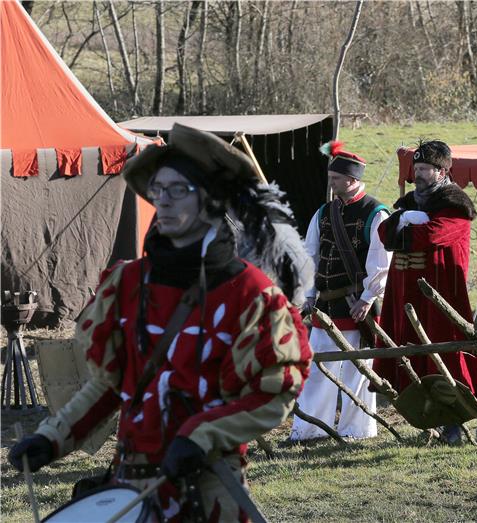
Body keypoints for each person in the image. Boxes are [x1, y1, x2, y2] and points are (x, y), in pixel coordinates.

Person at [9, 124, 313, 522]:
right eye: (158, 189)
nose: (162, 202)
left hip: (209, 490)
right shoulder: (127, 284)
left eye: (177, 190)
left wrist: (201, 435)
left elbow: (275, 393)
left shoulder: (250, 294)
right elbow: (110, 385)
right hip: (131, 485)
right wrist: (51, 438)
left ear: (209, 201)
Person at [374, 139, 477, 444]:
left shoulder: (455, 205)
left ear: (442, 171)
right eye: (417, 167)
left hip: (439, 293)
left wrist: (404, 226)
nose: (419, 174)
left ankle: (454, 421)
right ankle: (428, 419)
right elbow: (384, 233)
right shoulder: (411, 203)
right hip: (406, 294)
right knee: (412, 353)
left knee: (444, 353)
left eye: (426, 169)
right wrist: (404, 218)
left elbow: (434, 234)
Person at [289, 141, 391, 441]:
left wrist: (367, 298)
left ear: (352, 179)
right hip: (325, 305)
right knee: (318, 370)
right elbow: (310, 255)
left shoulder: (376, 213)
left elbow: (381, 261)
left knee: (357, 371)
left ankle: (356, 430)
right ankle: (307, 431)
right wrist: (307, 296)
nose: (331, 184)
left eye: (336, 179)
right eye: (331, 178)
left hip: (357, 305)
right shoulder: (323, 212)